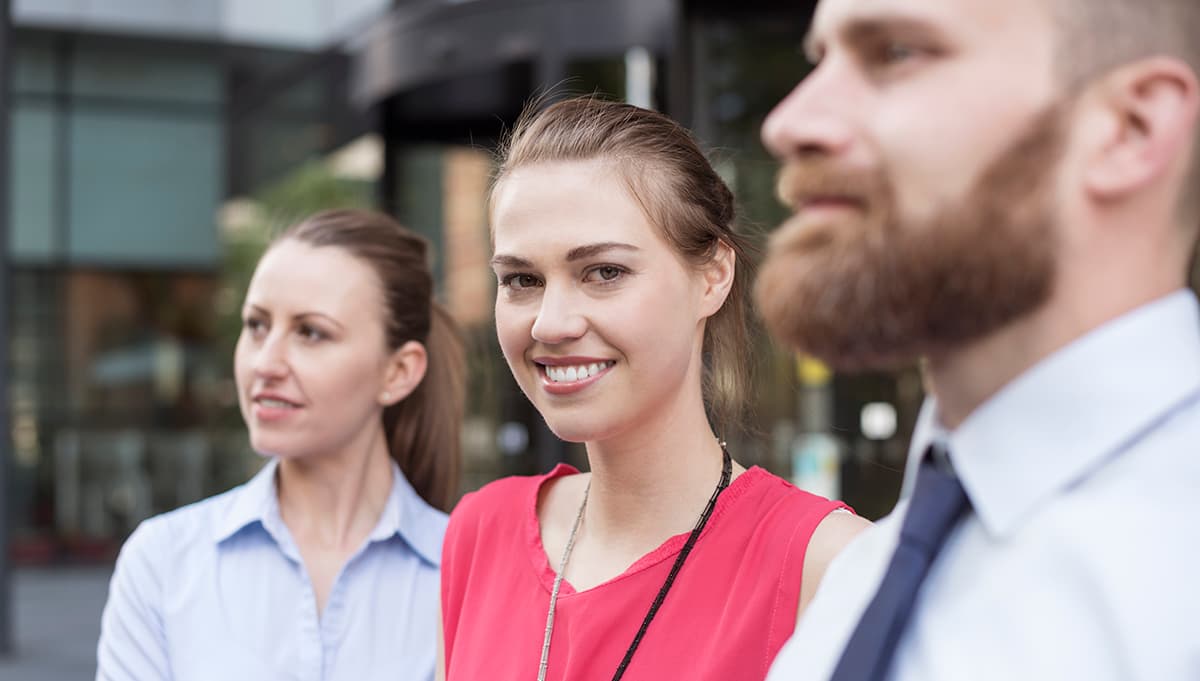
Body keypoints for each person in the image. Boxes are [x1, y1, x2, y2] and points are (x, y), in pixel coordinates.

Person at [756, 1, 1200, 680]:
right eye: (822, 61)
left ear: (1129, 129)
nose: (788, 124)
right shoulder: (859, 585)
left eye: (896, 53)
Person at [438, 97, 869, 681]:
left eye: (604, 272)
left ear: (713, 276)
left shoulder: (828, 566)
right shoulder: (479, 533)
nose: (550, 323)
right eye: (521, 279)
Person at [96, 209, 466, 681]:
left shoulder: (468, 577)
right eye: (256, 325)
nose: (266, 362)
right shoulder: (163, 562)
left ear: (398, 372)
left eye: (311, 332)